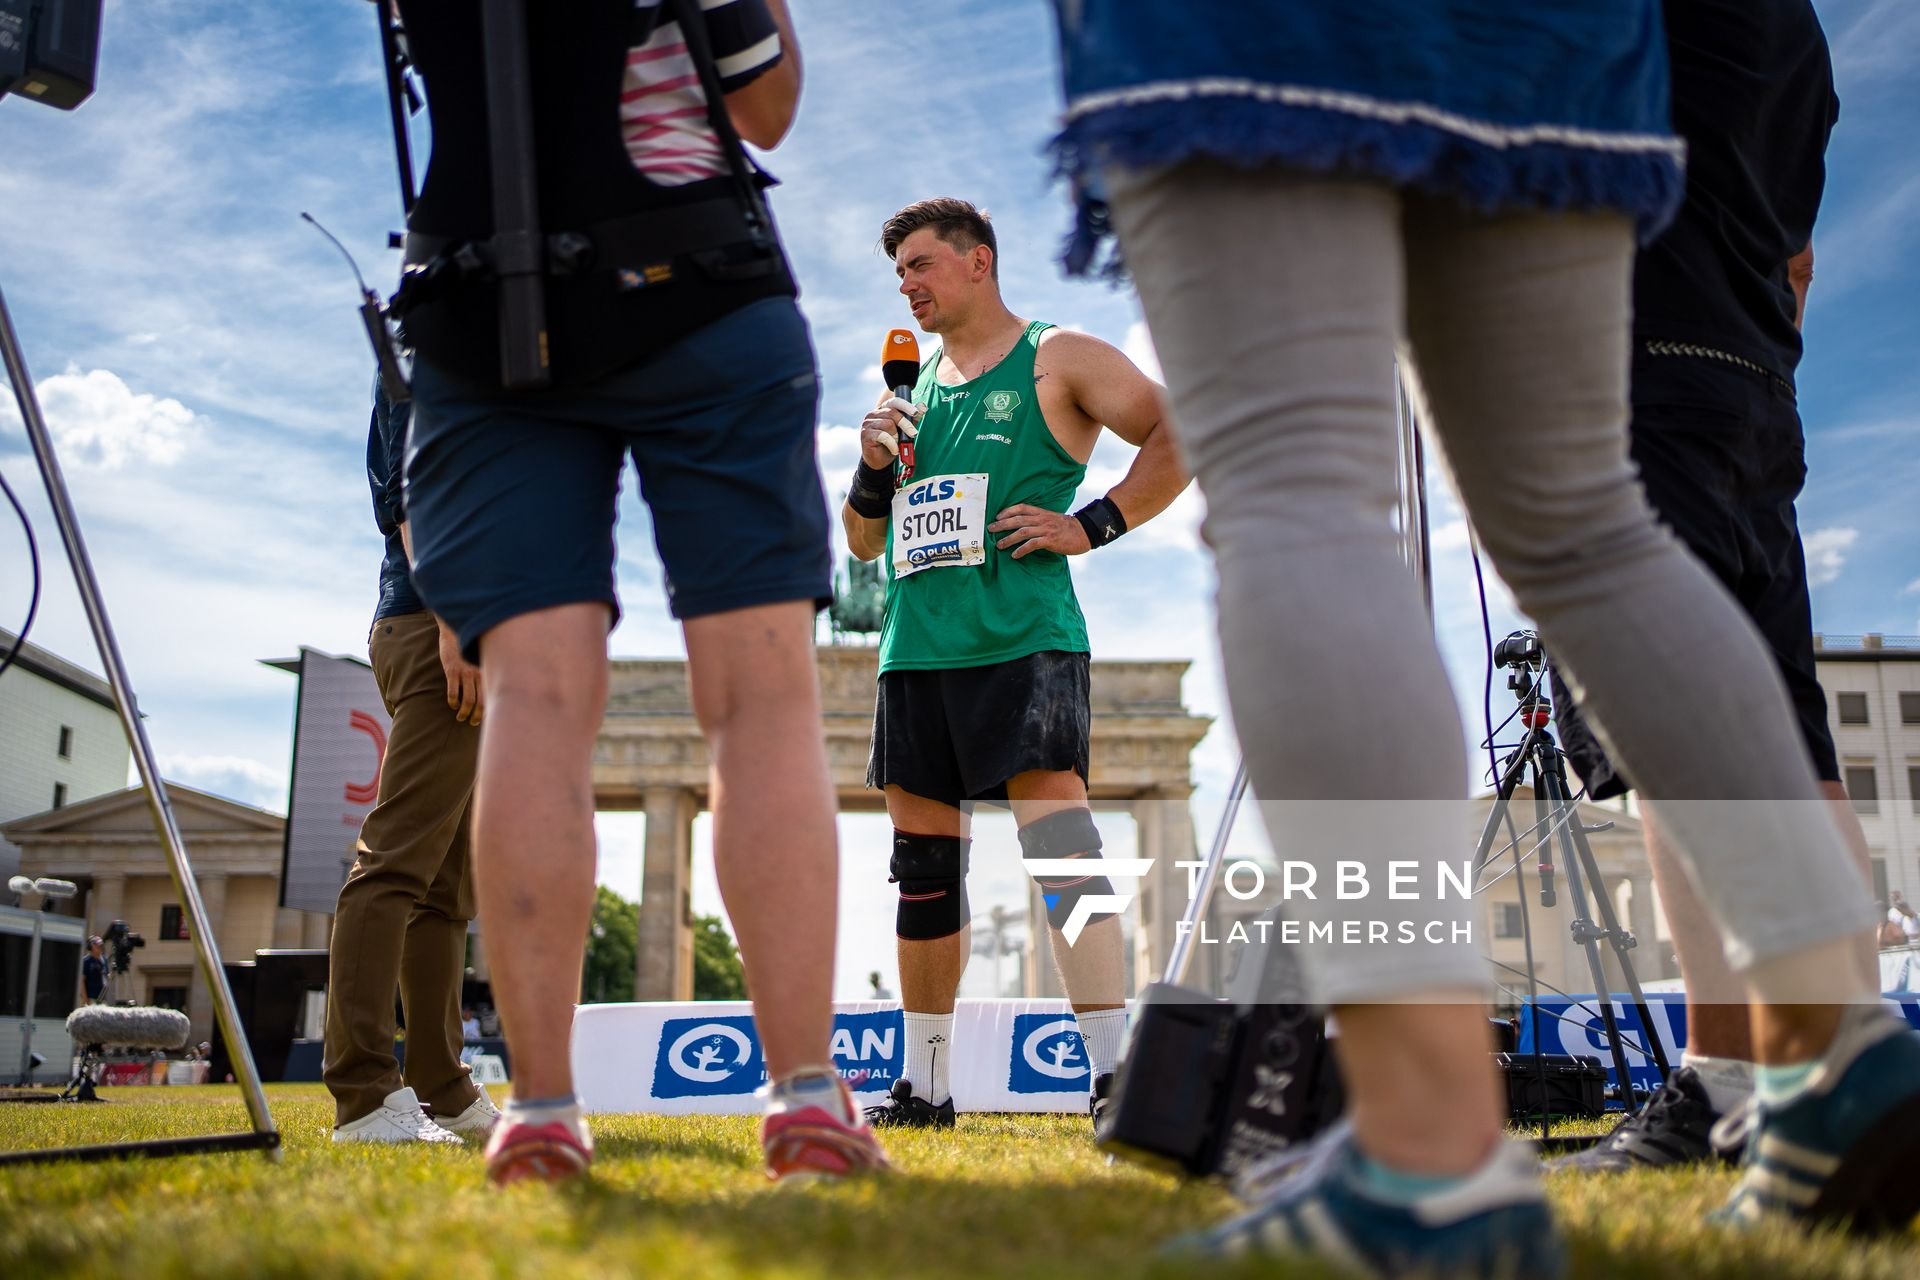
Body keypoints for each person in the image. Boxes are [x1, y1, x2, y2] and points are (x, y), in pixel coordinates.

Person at [1049, 0, 1920, 1269]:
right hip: (1556, 40)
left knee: (1297, 493)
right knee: (1588, 528)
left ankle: (1427, 1147)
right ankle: (1834, 1039)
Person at [393, 0, 887, 1183]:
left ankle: (541, 1108)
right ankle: (808, 1095)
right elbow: (762, 103)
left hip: (480, 300)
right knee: (761, 696)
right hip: (700, 279)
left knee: (533, 699)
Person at [1547, 0, 1875, 1175]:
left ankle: (1738, 1083)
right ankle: (1841, 1071)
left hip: (1636, 374)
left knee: (1674, 727)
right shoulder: (1796, 34)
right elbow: (1795, 255)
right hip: (1749, 392)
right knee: (1788, 736)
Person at [845, 198, 1186, 1130]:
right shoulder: (909, 391)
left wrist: (1092, 524)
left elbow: (1177, 434)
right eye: (900, 273)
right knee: (922, 867)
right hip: (915, 648)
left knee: (1064, 855)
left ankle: (1114, 1078)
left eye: (920, 265)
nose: (908, 285)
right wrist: (874, 465)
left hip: (1024, 639)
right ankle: (925, 1085)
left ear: (977, 262)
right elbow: (863, 541)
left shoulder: (1058, 355)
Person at [322, 379, 497, 1149]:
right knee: (395, 863)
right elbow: (414, 496)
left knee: (444, 884)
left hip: (451, 629)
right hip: (436, 626)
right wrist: (457, 619)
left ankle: (445, 1088)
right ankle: (363, 1093)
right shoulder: (426, 360)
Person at [81, 937, 105, 1005]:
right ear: (92, 947)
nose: (100, 948)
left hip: (100, 998)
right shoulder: (86, 961)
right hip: (90, 998)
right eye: (98, 946)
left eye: (101, 946)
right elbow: (81, 981)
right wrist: (85, 998)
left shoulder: (101, 961)